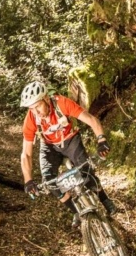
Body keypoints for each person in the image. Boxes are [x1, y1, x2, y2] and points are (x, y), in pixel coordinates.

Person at [19, 80, 116, 226]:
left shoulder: (62, 103)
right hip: (49, 146)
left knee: (87, 170)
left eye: (37, 106)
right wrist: (28, 180)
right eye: (31, 109)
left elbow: (91, 119)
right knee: (50, 182)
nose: (36, 112)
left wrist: (101, 139)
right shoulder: (31, 118)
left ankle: (105, 199)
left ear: (46, 99)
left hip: (70, 139)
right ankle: (76, 211)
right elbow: (26, 153)